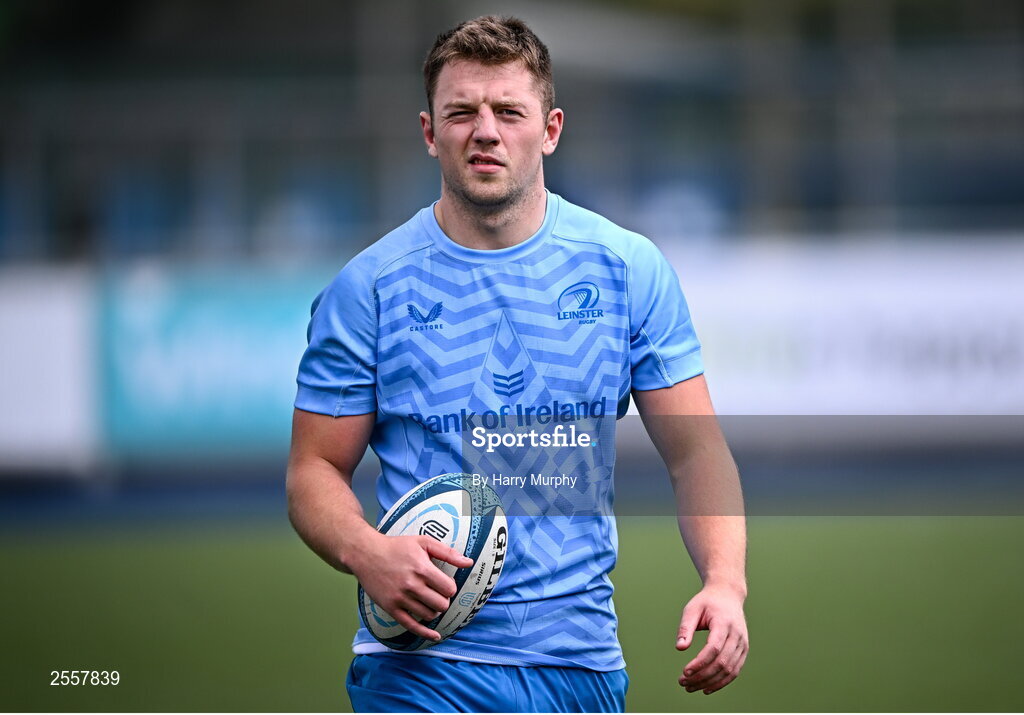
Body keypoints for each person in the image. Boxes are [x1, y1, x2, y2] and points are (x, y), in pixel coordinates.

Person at [286, 15, 747, 713]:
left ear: (551, 128)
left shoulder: (628, 270)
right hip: (419, 669)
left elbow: (696, 451)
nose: (485, 131)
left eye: (509, 111)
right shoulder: (369, 287)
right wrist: (366, 550)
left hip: (580, 667)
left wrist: (725, 580)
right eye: (461, 112)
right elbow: (313, 469)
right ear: (429, 131)